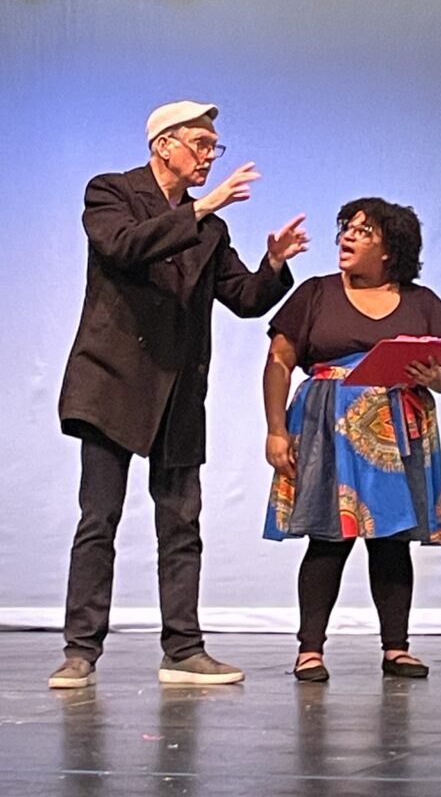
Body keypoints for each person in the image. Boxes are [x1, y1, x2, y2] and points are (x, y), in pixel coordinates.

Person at [50, 100, 308, 689]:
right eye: (200, 144)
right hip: (111, 383)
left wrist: (272, 263)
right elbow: (123, 247)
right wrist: (203, 210)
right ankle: (80, 652)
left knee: (181, 524)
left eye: (213, 147)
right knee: (100, 519)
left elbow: (243, 298)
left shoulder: (208, 229)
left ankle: (184, 649)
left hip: (178, 391)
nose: (209, 158)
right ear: (163, 144)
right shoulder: (110, 193)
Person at [263, 198, 441, 682]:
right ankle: (310, 649)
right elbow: (279, 361)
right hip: (326, 427)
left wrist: (436, 378)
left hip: (397, 431)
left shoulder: (421, 302)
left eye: (363, 231)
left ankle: (396, 648)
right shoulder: (316, 293)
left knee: (393, 540)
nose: (347, 238)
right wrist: (274, 429)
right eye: (345, 230)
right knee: (327, 539)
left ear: (390, 248)